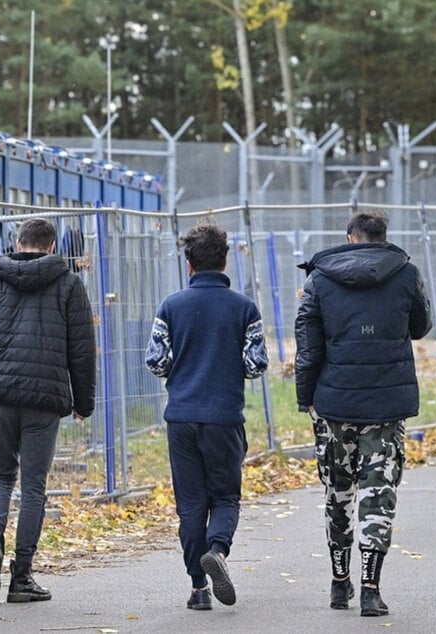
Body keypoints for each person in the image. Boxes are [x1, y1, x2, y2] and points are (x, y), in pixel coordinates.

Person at [294, 211, 432, 617]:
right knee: (379, 494)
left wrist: (307, 400)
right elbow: (420, 327)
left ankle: (340, 583)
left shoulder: (320, 280)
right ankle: (371, 588)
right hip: (387, 409)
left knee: (338, 493)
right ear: (383, 238)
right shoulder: (406, 273)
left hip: (335, 407)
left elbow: (308, 348)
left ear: (350, 239)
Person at [0, 217, 96, 603]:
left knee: (2, 475)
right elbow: (82, 349)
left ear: (17, 242)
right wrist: (83, 402)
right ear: (52, 247)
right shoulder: (69, 284)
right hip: (44, 400)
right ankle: (22, 576)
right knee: (34, 485)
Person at [144, 221, 268, 611]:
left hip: (181, 416)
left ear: (189, 264)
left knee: (191, 504)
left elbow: (155, 360)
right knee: (226, 496)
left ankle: (198, 588)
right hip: (224, 416)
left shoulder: (171, 306)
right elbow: (256, 364)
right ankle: (218, 549)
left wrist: (183, 370)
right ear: (225, 260)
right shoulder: (245, 308)